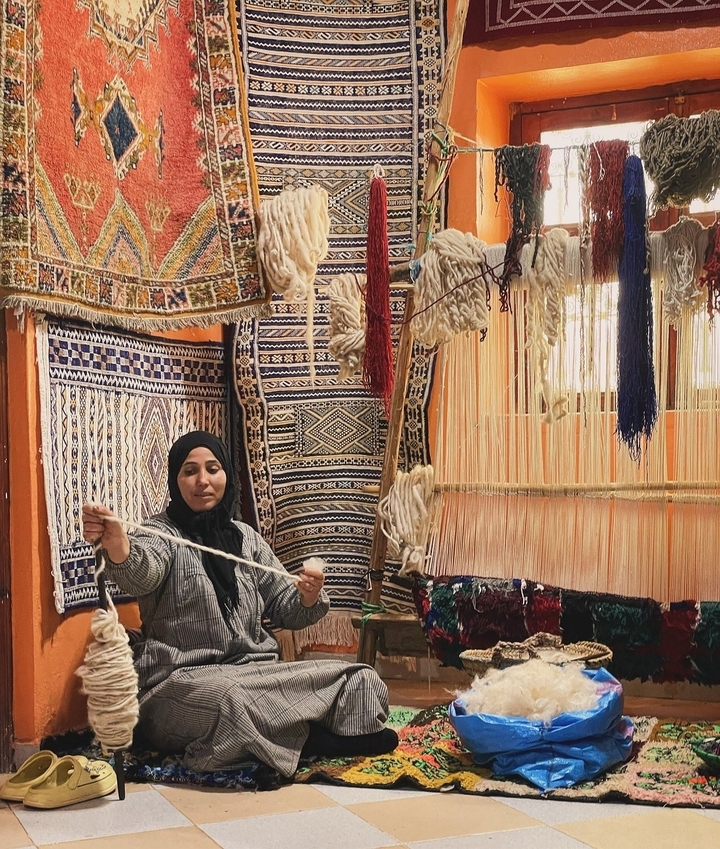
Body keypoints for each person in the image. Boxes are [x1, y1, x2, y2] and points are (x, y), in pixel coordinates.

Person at [81, 430, 397, 778]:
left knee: (358, 677)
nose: (203, 481)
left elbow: (284, 606)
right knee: (231, 700)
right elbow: (142, 573)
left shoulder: (246, 538)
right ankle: (318, 740)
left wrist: (307, 596)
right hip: (180, 684)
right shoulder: (160, 534)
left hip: (255, 671)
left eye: (213, 469)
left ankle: (292, 735)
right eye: (190, 471)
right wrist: (118, 544)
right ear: (175, 480)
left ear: (226, 476)